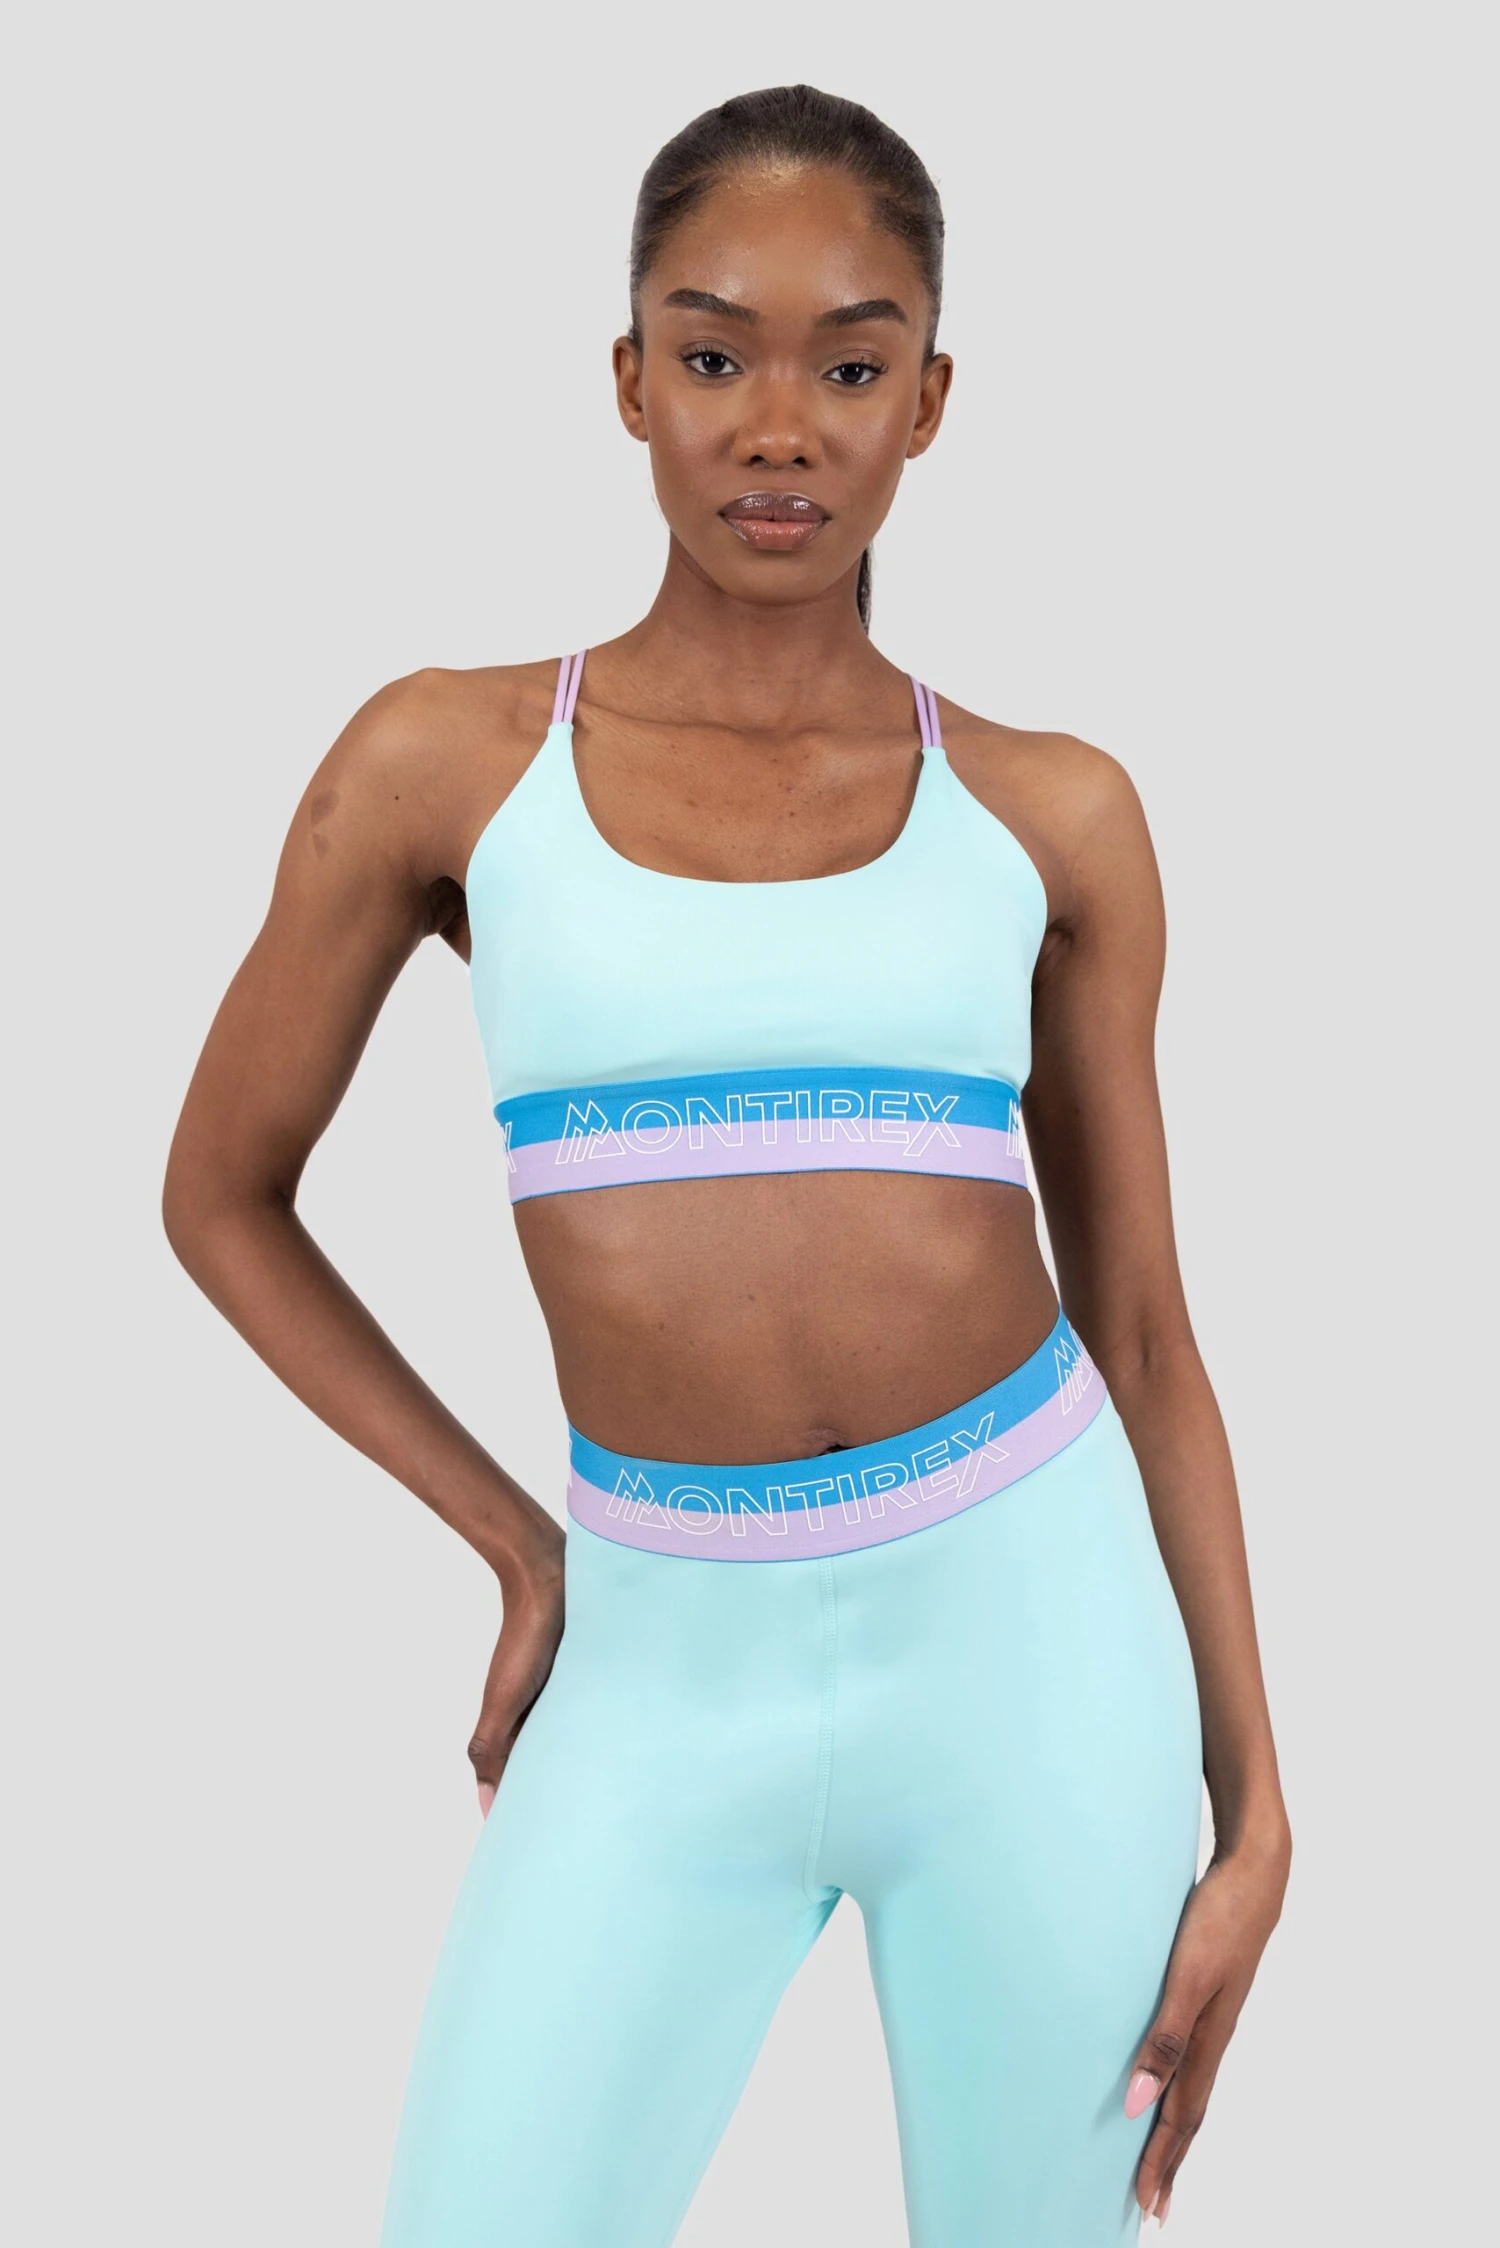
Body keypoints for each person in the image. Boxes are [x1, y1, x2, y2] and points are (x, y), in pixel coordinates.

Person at [164, 83, 1290, 2248]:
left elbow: (1145, 1328)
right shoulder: (447, 762)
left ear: (930, 401)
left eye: (851, 368)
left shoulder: (1053, 813)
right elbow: (221, 1191)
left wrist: (1258, 1808)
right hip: (655, 1656)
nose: (780, 427)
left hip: (1037, 1645)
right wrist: (518, 1542)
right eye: (714, 355)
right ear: (627, 381)